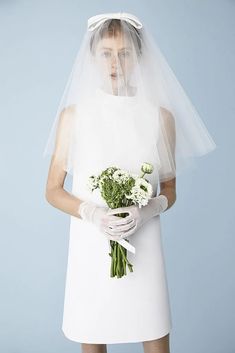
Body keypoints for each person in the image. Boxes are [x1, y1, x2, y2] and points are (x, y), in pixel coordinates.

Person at [44, 12, 216, 353]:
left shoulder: (160, 116)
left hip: (144, 244)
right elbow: (52, 189)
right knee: (92, 332)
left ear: (139, 57)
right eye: (106, 52)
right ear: (92, 56)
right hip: (91, 244)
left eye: (125, 53)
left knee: (153, 332)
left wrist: (148, 209)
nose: (115, 62)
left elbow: (169, 189)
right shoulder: (73, 116)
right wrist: (93, 213)